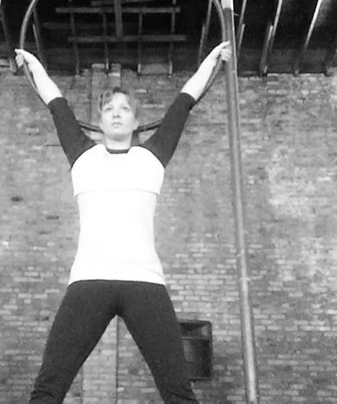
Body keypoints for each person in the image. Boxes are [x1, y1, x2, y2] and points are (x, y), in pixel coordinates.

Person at [15, 41, 232, 404]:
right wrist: (33, 63)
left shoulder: (152, 157)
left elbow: (183, 103)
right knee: (48, 387)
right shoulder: (83, 156)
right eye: (110, 109)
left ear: (135, 119)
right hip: (89, 281)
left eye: (125, 108)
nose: (117, 114)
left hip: (144, 282)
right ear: (100, 120)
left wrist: (212, 59)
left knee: (178, 391)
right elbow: (57, 105)